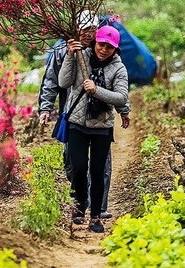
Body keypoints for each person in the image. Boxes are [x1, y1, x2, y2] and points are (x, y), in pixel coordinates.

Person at [38, 11, 129, 219]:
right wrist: (45, 107)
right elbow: (53, 81)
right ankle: (79, 204)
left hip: (100, 120)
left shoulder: (109, 53)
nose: (89, 34)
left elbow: (120, 89)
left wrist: (123, 110)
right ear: (77, 29)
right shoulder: (64, 50)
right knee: (74, 164)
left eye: (92, 30)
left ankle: (99, 208)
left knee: (101, 167)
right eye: (85, 29)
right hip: (74, 116)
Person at [58, 25, 130, 233]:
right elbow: (64, 82)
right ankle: (80, 206)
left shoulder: (118, 68)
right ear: (94, 42)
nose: (104, 49)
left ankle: (96, 216)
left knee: (97, 172)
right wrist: (70, 56)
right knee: (78, 168)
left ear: (115, 49)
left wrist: (97, 90)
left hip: (102, 126)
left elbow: (121, 97)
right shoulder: (81, 55)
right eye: (101, 44)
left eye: (110, 47)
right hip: (77, 123)